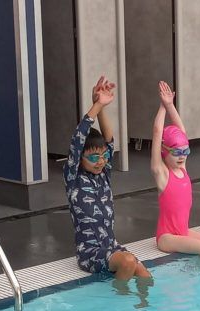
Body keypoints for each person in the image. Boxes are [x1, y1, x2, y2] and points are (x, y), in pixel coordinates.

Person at [64, 76, 151, 282]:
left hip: (112, 246)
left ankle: (145, 310)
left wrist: (102, 107)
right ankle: (118, 303)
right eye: (94, 157)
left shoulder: (103, 174)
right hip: (90, 253)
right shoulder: (73, 177)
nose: (100, 161)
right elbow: (78, 140)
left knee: (145, 275)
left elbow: (109, 140)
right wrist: (95, 106)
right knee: (128, 262)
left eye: (103, 157)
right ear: (80, 159)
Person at [151, 81, 200, 256]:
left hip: (183, 231)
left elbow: (181, 131)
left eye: (185, 151)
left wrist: (171, 105)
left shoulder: (182, 168)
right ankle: (194, 276)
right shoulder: (162, 173)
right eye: (177, 152)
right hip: (166, 236)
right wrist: (163, 106)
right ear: (164, 150)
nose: (182, 156)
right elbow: (156, 132)